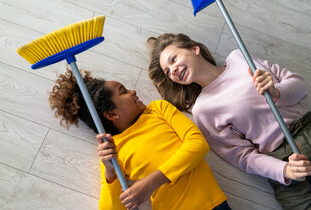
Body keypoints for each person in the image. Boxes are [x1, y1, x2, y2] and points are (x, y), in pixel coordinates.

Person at [148, 33, 311, 210]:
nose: (173, 70)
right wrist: (284, 170)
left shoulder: (238, 58)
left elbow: (299, 85)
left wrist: (277, 92)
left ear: (194, 48)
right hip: (282, 161)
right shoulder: (203, 110)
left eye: (173, 59)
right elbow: (243, 157)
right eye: (168, 72)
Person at [48, 68, 229, 210]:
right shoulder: (113, 149)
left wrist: (150, 183)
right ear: (111, 114)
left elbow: (197, 145)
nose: (133, 91)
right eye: (124, 91)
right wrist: (110, 172)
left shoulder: (158, 109)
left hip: (213, 204)